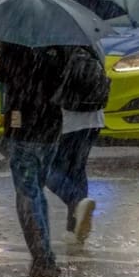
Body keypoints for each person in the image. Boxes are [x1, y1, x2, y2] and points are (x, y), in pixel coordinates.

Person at [0, 43, 68, 277]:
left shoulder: (15, 41)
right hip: (51, 129)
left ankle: (43, 261)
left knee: (28, 195)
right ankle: (43, 259)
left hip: (23, 127)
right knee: (36, 192)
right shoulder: (61, 41)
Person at [45, 44, 109, 246]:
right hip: (94, 118)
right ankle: (74, 229)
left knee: (44, 168)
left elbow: (48, 81)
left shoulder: (56, 44)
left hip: (67, 119)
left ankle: (76, 202)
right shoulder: (93, 41)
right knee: (77, 169)